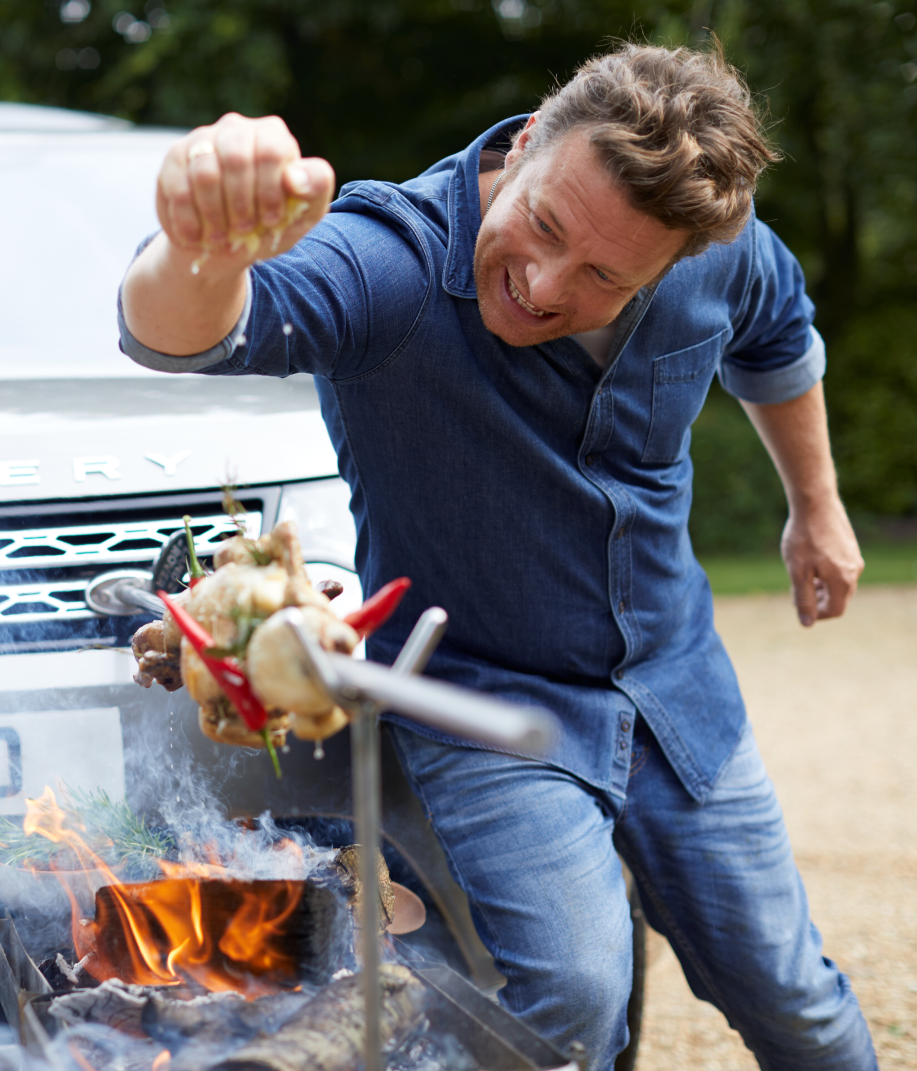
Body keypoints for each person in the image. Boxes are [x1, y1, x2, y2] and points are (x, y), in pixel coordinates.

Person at [117, 41, 877, 1071]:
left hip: (676, 685)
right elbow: (187, 333)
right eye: (546, 225)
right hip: (487, 702)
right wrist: (200, 247)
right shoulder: (389, 261)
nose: (543, 279)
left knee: (796, 1004)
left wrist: (816, 507)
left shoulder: (718, 249)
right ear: (524, 147)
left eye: (604, 275)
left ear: (671, 263)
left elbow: (779, 336)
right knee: (572, 997)